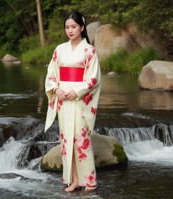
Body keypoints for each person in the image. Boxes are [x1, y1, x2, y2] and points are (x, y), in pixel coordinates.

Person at [44, 10, 101, 192]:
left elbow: (93, 79)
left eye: (74, 26)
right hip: (63, 101)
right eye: (67, 27)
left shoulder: (89, 50)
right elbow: (51, 74)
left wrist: (76, 91)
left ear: (82, 27)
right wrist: (56, 89)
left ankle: (90, 180)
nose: (70, 30)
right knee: (67, 141)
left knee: (81, 139)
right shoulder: (59, 49)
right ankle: (75, 180)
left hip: (79, 100)